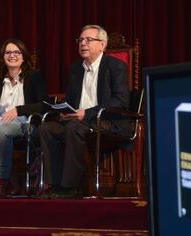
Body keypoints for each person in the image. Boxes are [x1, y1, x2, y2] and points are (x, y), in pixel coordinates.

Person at [39, 25, 130, 199]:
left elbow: (121, 101)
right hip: (78, 121)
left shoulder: (116, 66)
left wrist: (86, 113)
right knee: (47, 128)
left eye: (88, 40)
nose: (83, 43)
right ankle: (55, 184)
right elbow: (72, 101)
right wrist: (65, 111)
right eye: (80, 40)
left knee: (74, 127)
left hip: (108, 122)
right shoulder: (75, 69)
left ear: (102, 45)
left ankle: (72, 187)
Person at [0, 38, 48, 199]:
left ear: (23, 56)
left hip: (26, 124)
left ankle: (3, 183)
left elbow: (44, 105)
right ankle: (11, 173)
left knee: (2, 131)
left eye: (16, 52)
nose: (12, 55)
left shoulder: (34, 77)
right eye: (8, 52)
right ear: (3, 57)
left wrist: (19, 110)